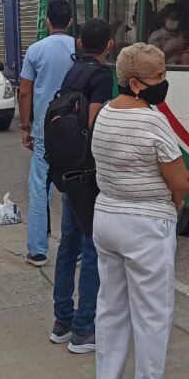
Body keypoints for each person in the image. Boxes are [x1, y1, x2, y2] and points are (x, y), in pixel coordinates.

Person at [88, 43, 189, 379]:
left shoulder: (106, 114)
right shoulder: (153, 122)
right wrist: (178, 198)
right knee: (152, 317)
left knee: (111, 310)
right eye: (158, 78)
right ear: (135, 82)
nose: (163, 83)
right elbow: (179, 180)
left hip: (107, 219)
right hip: (145, 225)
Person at [50, 18, 115, 354]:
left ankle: (62, 321)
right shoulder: (102, 76)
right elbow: (94, 120)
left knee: (67, 246)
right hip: (88, 173)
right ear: (110, 45)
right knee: (91, 249)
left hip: (66, 168)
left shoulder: (72, 72)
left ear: (79, 44)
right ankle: (83, 329)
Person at [18, 0, 75, 267]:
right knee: (74, 187)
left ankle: (38, 251)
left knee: (41, 188)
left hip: (45, 130)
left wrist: (25, 126)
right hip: (75, 129)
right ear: (71, 22)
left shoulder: (35, 50)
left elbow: (25, 91)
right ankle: (75, 250)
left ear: (47, 22)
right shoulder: (80, 47)